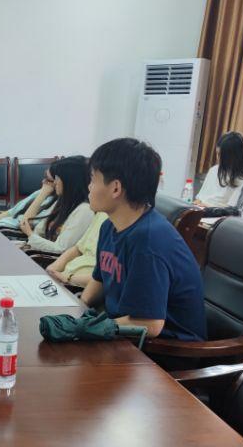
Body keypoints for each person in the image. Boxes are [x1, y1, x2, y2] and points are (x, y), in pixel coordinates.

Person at [80, 138, 205, 341]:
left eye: (93, 179)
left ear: (115, 188)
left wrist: (87, 328)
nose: (89, 187)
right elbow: (99, 281)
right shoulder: (109, 226)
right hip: (122, 332)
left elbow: (150, 324)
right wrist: (77, 310)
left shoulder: (148, 240)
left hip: (164, 350)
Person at [21, 156, 94, 253]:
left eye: (57, 178)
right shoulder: (62, 202)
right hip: (40, 254)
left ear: (69, 181)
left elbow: (61, 249)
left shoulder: (84, 210)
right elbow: (40, 230)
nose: (54, 182)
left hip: (50, 259)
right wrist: (29, 241)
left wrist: (30, 235)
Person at [45, 211, 108, 289]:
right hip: (64, 278)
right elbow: (78, 248)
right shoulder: (102, 213)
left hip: (79, 287)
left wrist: (68, 278)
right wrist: (52, 269)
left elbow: (105, 278)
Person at [195, 131, 243, 207]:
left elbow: (231, 209)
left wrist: (205, 206)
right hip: (201, 209)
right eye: (217, 154)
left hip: (217, 213)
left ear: (234, 156)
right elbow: (200, 198)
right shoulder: (214, 170)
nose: (218, 158)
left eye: (221, 155)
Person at [0, 167, 54, 232]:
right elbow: (12, 212)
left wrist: (43, 193)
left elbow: (26, 224)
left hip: (9, 232)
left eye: (47, 179)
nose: (43, 181)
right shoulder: (40, 192)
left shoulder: (53, 204)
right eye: (44, 177)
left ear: (57, 181)